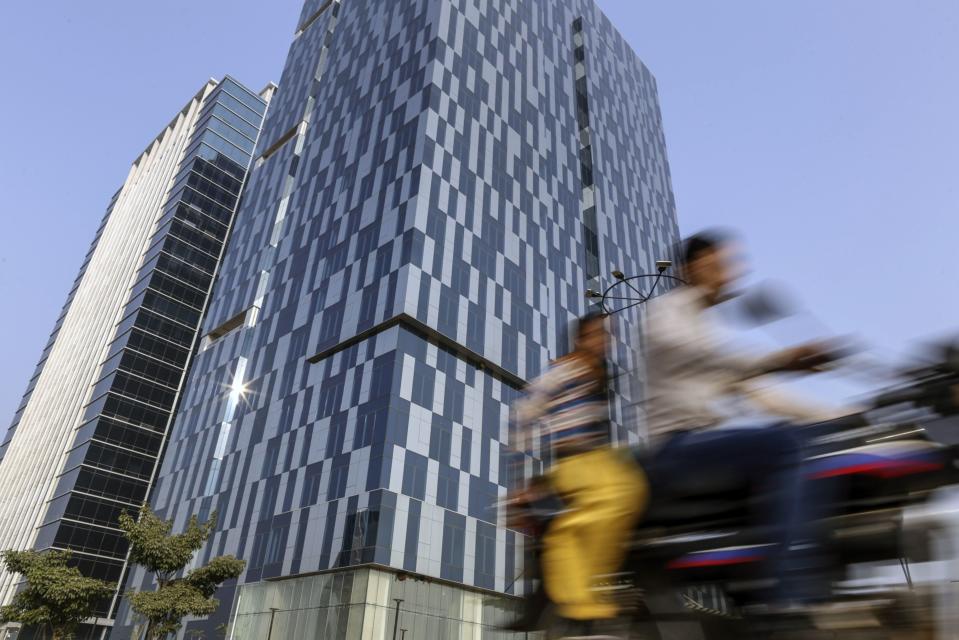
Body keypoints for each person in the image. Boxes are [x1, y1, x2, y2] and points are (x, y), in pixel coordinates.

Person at [644, 230, 838, 606]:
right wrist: (779, 360)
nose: (729, 274)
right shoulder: (667, 311)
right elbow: (699, 355)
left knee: (807, 438)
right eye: (720, 264)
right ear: (692, 267)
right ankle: (785, 598)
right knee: (783, 446)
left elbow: (764, 396)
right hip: (675, 448)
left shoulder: (705, 327)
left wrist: (842, 416)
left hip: (706, 449)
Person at [509, 313, 648, 635]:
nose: (605, 342)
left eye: (608, 336)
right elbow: (523, 416)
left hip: (598, 459)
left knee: (636, 486)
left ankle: (594, 587)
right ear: (580, 339)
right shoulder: (564, 370)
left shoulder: (598, 379)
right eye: (598, 334)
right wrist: (520, 484)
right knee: (618, 493)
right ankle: (577, 599)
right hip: (573, 463)